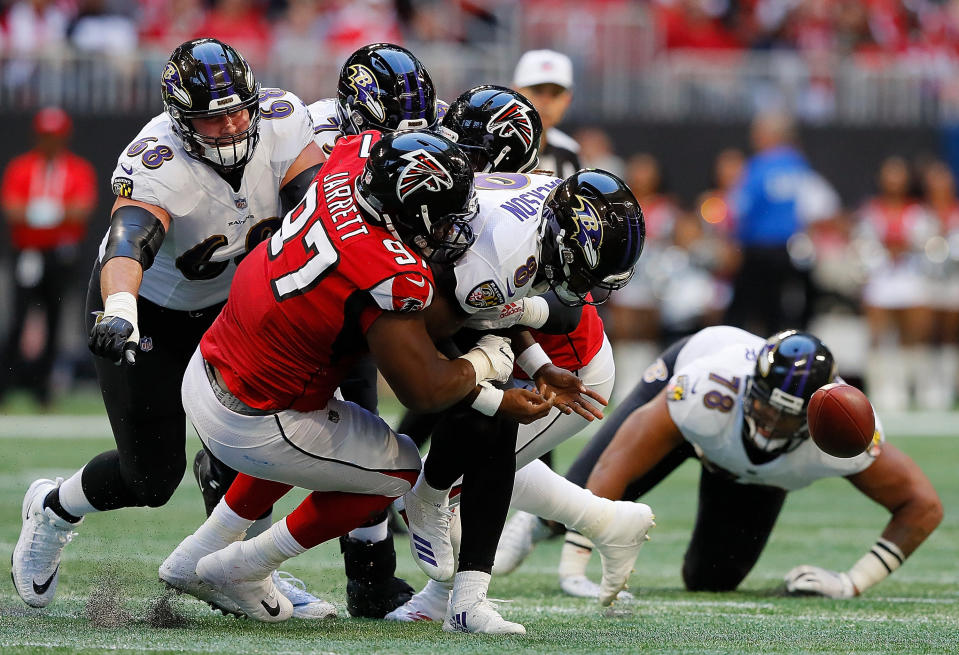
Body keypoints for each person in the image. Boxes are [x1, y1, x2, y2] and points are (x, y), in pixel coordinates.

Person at [157, 129, 559, 622]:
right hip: (260, 416)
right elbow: (426, 389)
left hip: (212, 364)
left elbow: (377, 142)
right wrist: (488, 364)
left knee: (332, 440)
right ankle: (245, 564)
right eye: (443, 219)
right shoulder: (387, 269)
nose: (453, 230)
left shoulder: (353, 160)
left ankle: (196, 554)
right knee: (397, 474)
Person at [11, 38, 326, 613]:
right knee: (151, 478)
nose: (232, 126)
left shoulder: (283, 119)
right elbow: (129, 242)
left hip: (233, 309)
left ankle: (241, 576)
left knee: (246, 446)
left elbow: (317, 206)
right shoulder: (156, 160)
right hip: (151, 308)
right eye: (213, 116)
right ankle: (54, 506)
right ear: (182, 119)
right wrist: (123, 312)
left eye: (238, 109)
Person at [189, 41, 443, 620]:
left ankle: (370, 576)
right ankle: (248, 563)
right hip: (303, 302)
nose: (400, 142)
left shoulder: (421, 135)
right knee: (300, 431)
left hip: (367, 301)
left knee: (369, 429)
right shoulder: (306, 131)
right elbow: (265, 224)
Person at [386, 87, 652, 629]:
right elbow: (475, 320)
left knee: (472, 457)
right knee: (474, 438)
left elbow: (558, 317)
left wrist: (528, 362)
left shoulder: (507, 244)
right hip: (531, 351)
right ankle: (604, 523)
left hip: (567, 367)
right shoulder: (496, 241)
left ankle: (447, 595)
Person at [499, 327, 942, 600]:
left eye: (784, 415)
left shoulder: (842, 432)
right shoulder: (708, 388)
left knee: (712, 578)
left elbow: (922, 506)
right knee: (586, 488)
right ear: (749, 385)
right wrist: (576, 564)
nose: (767, 420)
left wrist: (852, 581)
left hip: (747, 468)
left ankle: (553, 522)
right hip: (690, 402)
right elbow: (620, 462)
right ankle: (540, 523)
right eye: (765, 405)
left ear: (815, 419)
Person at [0, 106, 97, 407]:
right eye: (45, 135)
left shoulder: (78, 169)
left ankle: (42, 390)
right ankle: (6, 385)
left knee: (55, 320)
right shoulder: (21, 167)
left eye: (55, 136)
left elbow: (83, 208)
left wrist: (41, 212)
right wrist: (56, 213)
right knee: (18, 319)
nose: (50, 142)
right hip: (28, 252)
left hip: (61, 254)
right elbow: (11, 209)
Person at [724, 112, 812, 336]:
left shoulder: (759, 166)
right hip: (791, 251)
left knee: (744, 313)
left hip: (758, 250)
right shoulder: (799, 164)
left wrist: (730, 238)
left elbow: (739, 207)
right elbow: (820, 205)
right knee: (782, 313)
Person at [512, 49, 580, 179]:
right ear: (515, 92)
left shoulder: (569, 152)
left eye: (555, 93)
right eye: (537, 91)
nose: (546, 101)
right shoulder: (488, 146)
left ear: (568, 99)